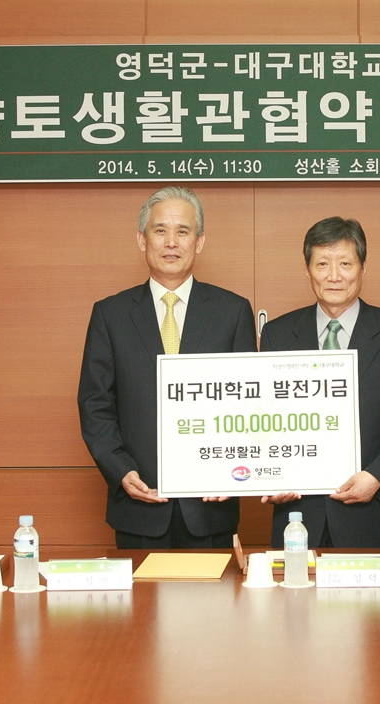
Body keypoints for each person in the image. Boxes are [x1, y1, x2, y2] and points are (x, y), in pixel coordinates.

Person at [78, 187, 256, 548]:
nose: (171, 242)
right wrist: (121, 471)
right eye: (160, 230)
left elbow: (251, 403)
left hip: (210, 506)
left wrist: (232, 471)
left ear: (199, 241)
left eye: (183, 231)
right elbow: (95, 404)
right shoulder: (110, 314)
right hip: (139, 503)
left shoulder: (233, 311)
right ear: (142, 239)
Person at [260, 216, 380, 549]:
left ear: (363, 268)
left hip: (369, 514)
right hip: (297, 514)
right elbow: (263, 416)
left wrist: (378, 476)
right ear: (308, 270)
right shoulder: (277, 335)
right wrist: (271, 476)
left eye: (345, 263)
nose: (334, 275)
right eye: (322, 264)